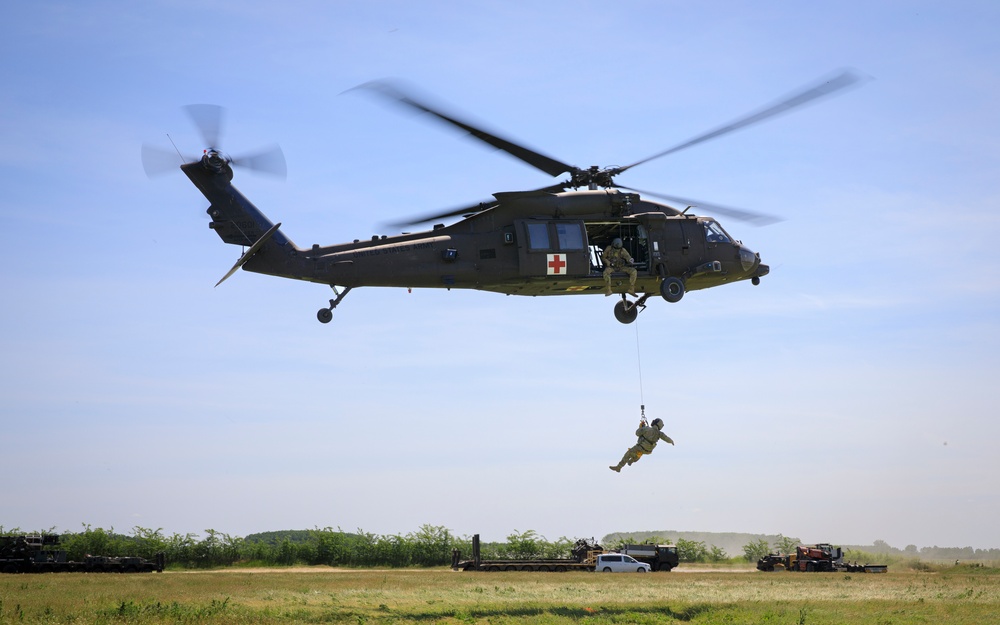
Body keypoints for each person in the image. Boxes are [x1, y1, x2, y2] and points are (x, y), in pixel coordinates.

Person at [610, 417, 674, 472]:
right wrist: (672, 441)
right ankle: (631, 461)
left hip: (641, 447)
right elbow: (667, 438)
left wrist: (641, 427)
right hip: (648, 451)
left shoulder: (647, 429)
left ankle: (619, 467)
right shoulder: (660, 433)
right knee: (639, 453)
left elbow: (637, 433)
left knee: (629, 453)